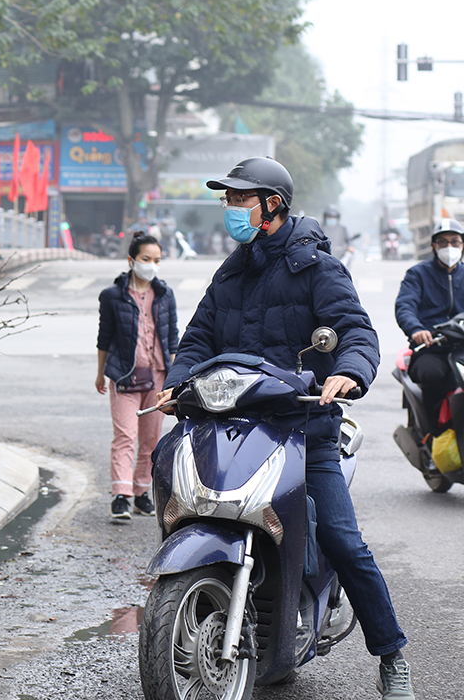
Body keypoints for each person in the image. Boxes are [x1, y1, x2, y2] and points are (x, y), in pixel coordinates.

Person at [155, 157, 414, 700]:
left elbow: (356, 331)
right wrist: (179, 380)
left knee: (343, 542)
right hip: (236, 424)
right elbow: (199, 338)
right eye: (227, 200)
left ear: (272, 204)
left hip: (305, 429)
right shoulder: (231, 272)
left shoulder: (319, 269)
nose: (231, 210)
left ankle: (392, 655)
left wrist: (346, 371)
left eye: (239, 200)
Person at [95, 231, 178, 521]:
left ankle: (142, 493)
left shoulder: (165, 296)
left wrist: (173, 382)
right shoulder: (112, 296)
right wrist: (100, 374)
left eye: (157, 260)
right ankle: (121, 495)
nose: (152, 265)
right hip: (124, 376)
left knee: (151, 440)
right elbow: (104, 338)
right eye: (146, 259)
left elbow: (173, 340)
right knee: (125, 436)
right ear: (131, 260)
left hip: (157, 377)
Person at [394, 217, 464, 428]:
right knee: (433, 375)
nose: (449, 247)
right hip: (431, 348)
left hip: (461, 347)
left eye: (454, 242)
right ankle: (434, 433)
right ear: (434, 246)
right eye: (442, 242)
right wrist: (416, 329)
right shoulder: (418, 274)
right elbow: (405, 306)